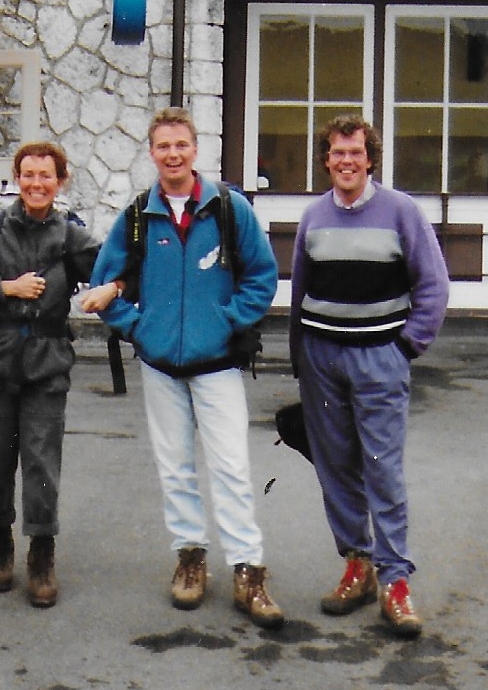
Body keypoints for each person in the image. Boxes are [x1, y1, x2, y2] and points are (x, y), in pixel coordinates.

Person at [80, 107, 284, 629]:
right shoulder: (135, 217)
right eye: (163, 146)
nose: (173, 154)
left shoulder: (229, 209)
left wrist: (226, 321)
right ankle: (190, 559)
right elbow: (103, 284)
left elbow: (262, 277)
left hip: (217, 366)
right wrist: (139, 327)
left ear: (196, 150)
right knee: (175, 467)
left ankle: (247, 569)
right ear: (152, 153)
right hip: (160, 366)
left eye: (181, 145)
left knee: (232, 468)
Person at [290, 114, 448, 638]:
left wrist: (407, 346)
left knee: (382, 467)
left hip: (380, 356)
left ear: (370, 158)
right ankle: (357, 565)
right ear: (326, 160)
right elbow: (300, 289)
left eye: (355, 153)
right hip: (321, 358)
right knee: (335, 465)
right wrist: (299, 353)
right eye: (337, 153)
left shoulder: (401, 211)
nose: (346, 162)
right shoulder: (313, 215)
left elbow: (433, 285)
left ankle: (395, 581)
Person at [0, 141, 100, 608]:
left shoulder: (70, 235)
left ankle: (42, 554)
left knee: (42, 463)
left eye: (46, 175)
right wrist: (3, 288)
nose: (36, 184)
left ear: (60, 180)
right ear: (16, 179)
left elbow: (111, 265)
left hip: (47, 362)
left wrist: (113, 287)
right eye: (28, 175)